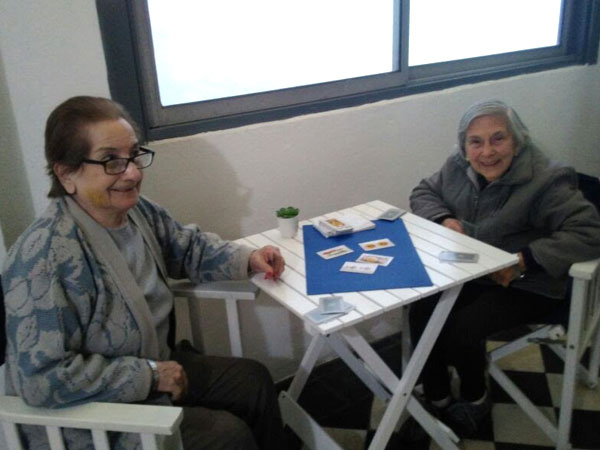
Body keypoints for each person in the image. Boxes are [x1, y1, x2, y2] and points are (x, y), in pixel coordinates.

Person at [2, 96, 287, 450]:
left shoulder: (137, 213)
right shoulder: (46, 258)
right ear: (66, 174)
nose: (133, 173)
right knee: (227, 436)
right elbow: (41, 379)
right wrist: (148, 376)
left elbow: (187, 248)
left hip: (154, 368)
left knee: (252, 382)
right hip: (91, 418)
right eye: (111, 161)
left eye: (134, 155)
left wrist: (248, 258)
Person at [406, 99, 600, 438]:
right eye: (475, 142)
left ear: (518, 141)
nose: (487, 152)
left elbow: (589, 231)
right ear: (464, 145)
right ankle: (437, 393)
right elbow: (424, 192)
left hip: (529, 282)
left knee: (462, 327)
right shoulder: (458, 164)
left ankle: (475, 397)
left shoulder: (547, 180)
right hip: (476, 272)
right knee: (422, 307)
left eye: (498, 138)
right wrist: (445, 219)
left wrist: (525, 260)